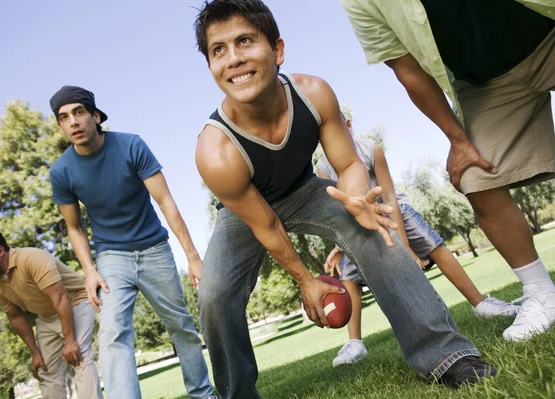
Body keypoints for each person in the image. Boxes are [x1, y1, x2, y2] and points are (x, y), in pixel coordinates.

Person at [193, 1, 495, 397]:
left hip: (305, 190)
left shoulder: (313, 94)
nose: (233, 59)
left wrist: (357, 201)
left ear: (277, 50)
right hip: (246, 213)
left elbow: (349, 163)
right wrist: (306, 281)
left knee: (375, 230)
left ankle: (446, 355)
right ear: (212, 67)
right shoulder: (215, 151)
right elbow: (265, 224)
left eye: (245, 41)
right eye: (219, 50)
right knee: (214, 295)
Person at [339, 0, 555, 342]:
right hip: (486, 83)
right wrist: (458, 140)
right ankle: (542, 293)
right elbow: (407, 69)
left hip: (547, 33)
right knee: (476, 181)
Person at [48, 86, 216, 399]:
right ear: (60, 126)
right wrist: (89, 270)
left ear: (95, 116)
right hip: (111, 258)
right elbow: (74, 227)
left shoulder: (130, 145)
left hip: (154, 249)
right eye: (64, 117)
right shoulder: (61, 172)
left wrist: (193, 257)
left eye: (79, 112)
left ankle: (203, 395)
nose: (73, 121)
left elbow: (166, 202)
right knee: (112, 333)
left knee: (181, 326)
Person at [316, 113, 519, 367]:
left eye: (340, 126)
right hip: (359, 222)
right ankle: (354, 342)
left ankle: (481, 303)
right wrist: (339, 246)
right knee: (348, 275)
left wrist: (406, 246)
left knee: (436, 248)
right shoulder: (323, 168)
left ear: (348, 126)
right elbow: (340, 212)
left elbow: (388, 196)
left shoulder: (370, 149)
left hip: (394, 210)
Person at [0, 229, 103, 399]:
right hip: (46, 316)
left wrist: (69, 341)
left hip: (75, 302)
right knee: (45, 369)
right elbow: (15, 316)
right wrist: (35, 353)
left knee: (78, 356)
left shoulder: (32, 258)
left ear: (0, 251)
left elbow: (60, 297)